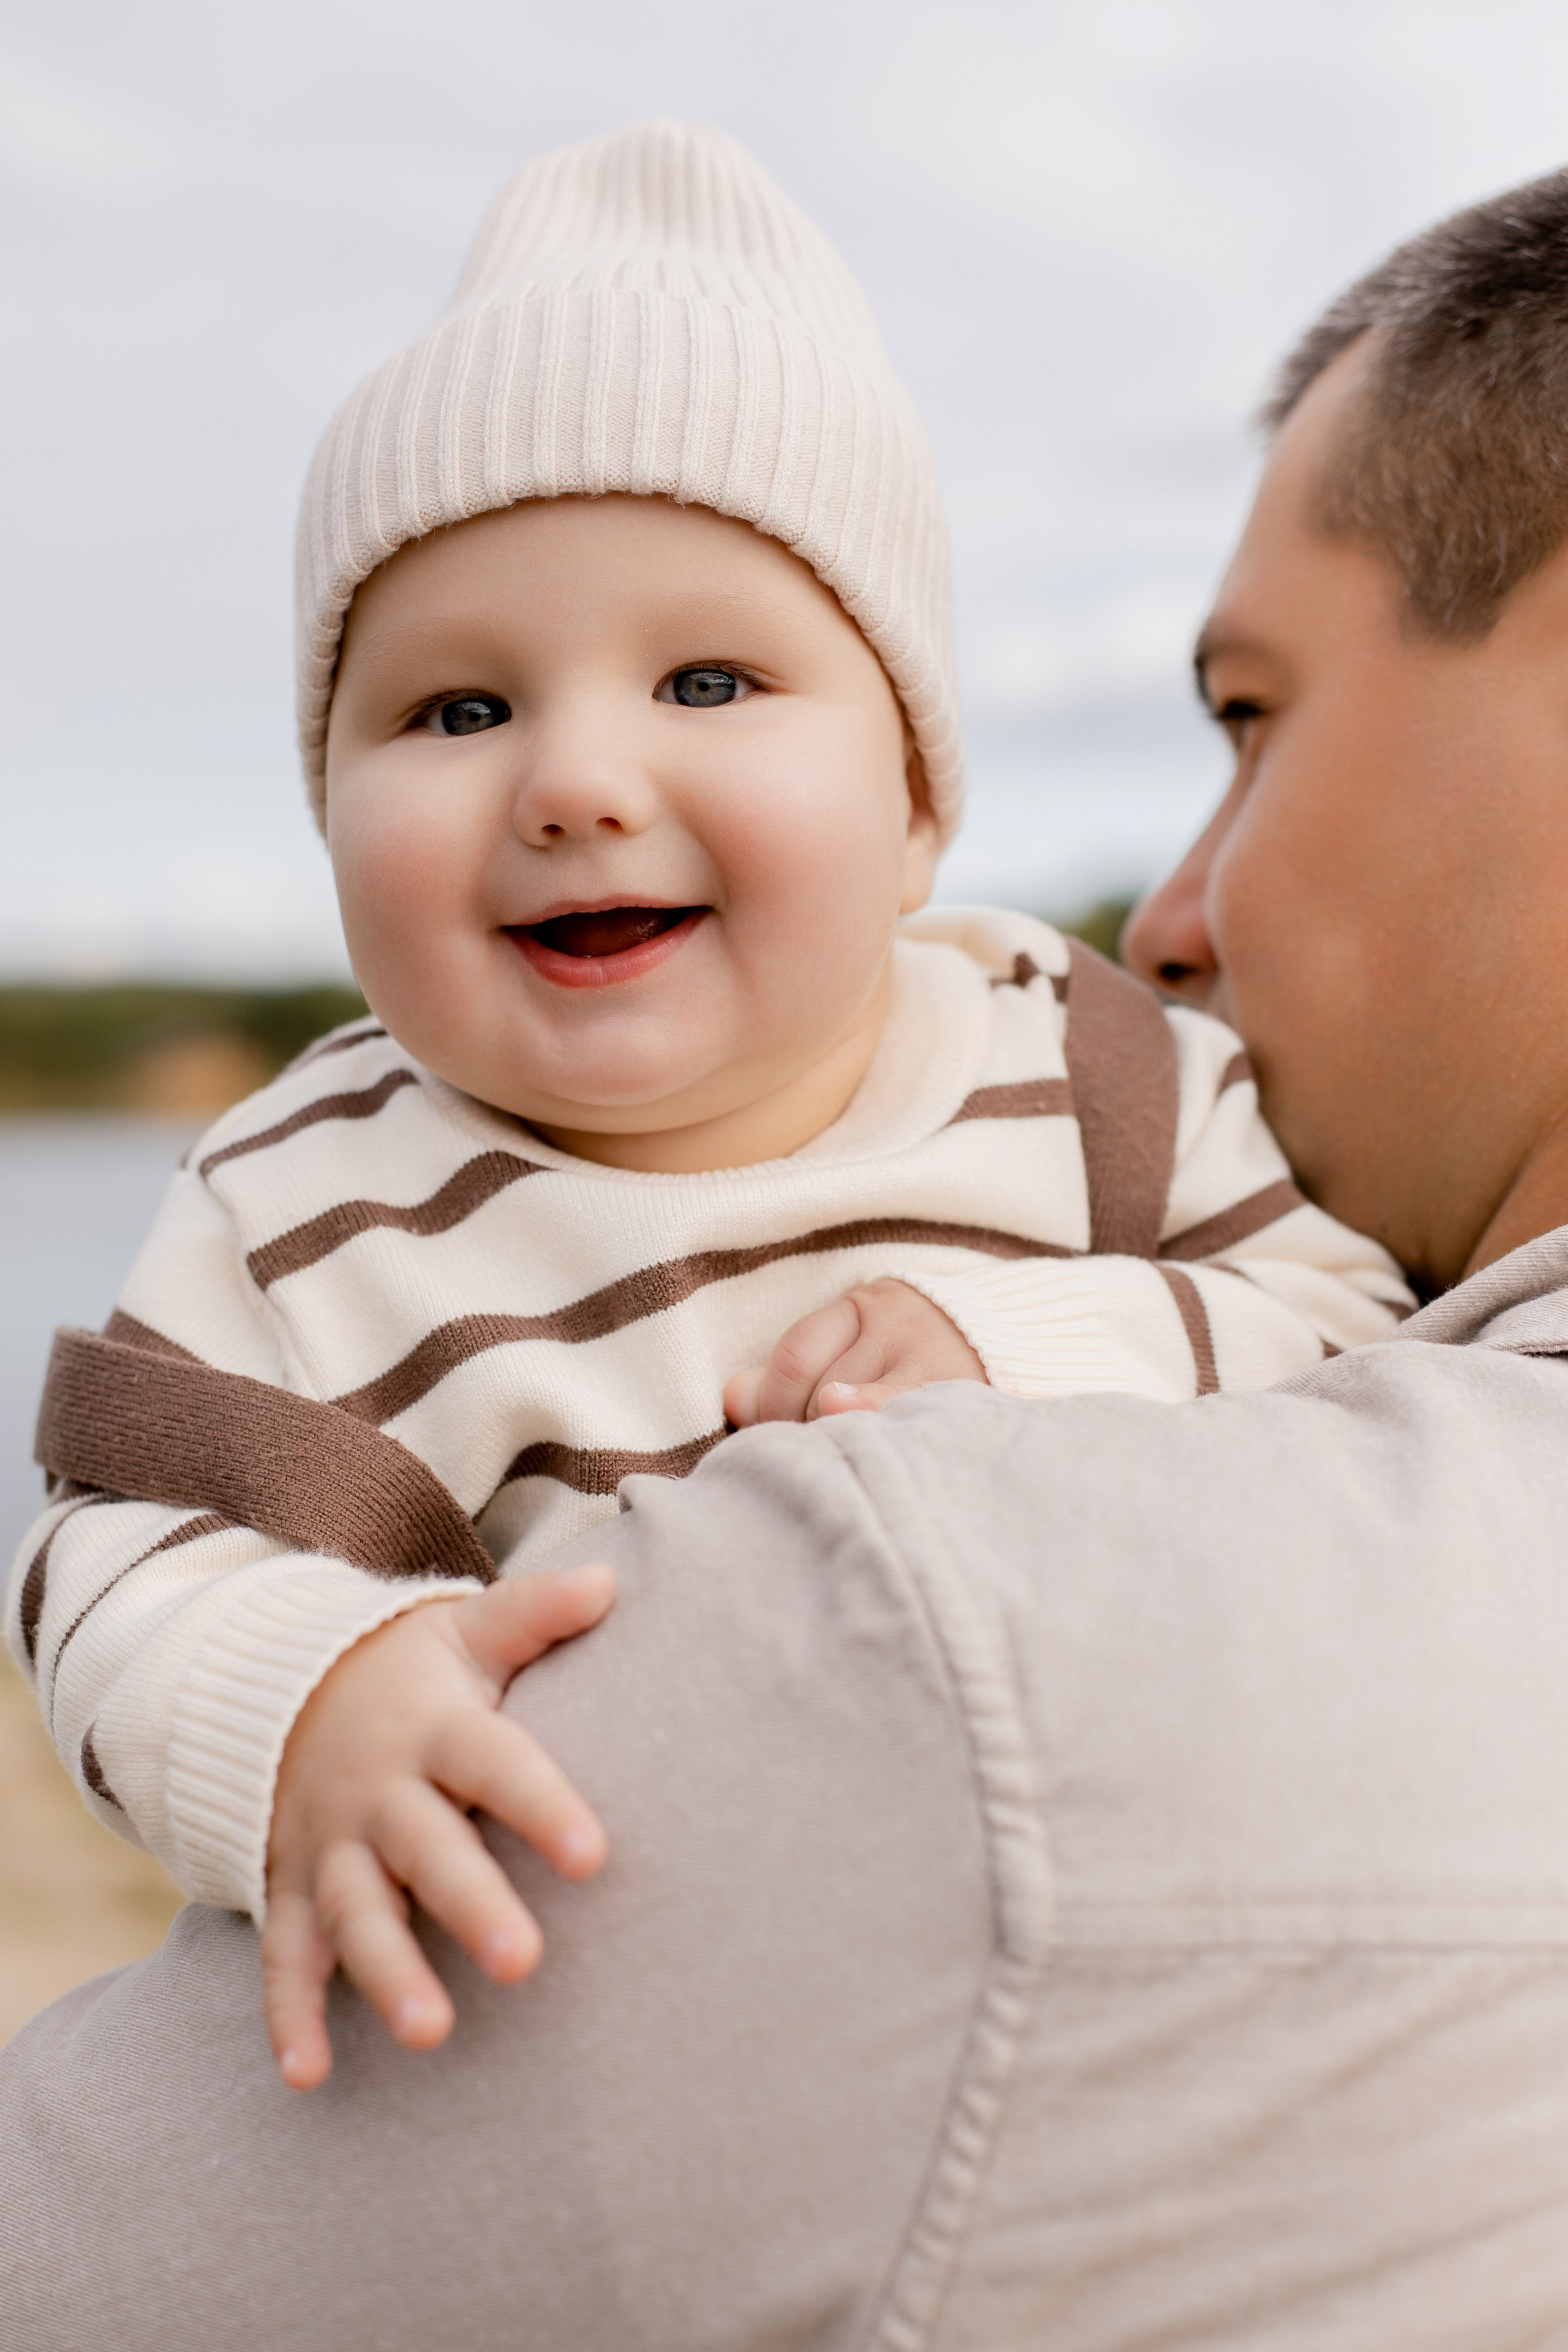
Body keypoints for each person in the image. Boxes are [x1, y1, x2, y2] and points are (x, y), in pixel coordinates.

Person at [11, 156, 1568, 2352]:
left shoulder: (1092, 1072)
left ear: (919, 794)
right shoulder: (304, 1191)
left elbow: (1337, 1316)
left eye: (713, 680)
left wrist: (1030, 1339)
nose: (570, 776)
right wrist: (298, 1704)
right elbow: (120, 1549)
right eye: (452, 712)